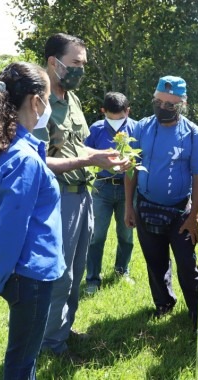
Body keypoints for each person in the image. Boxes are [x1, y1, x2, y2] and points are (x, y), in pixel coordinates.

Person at [33, 33, 129, 358]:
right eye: (75, 63)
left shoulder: (71, 99)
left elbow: (79, 146)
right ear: (53, 62)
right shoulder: (37, 104)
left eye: (83, 64)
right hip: (56, 199)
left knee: (74, 273)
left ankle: (64, 328)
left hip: (83, 195)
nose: (80, 70)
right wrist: (90, 159)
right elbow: (37, 160)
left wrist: (104, 155)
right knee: (58, 275)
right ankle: (50, 345)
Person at [0, 62, 66, 379]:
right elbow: (8, 229)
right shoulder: (23, 158)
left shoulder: (6, 148)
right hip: (31, 277)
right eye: (49, 95)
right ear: (35, 100)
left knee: (21, 358)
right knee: (21, 363)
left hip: (18, 273)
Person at [124, 75, 198, 329]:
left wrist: (193, 216)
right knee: (155, 260)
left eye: (170, 105)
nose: (163, 108)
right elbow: (131, 168)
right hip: (146, 206)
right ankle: (163, 303)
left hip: (179, 212)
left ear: (182, 104)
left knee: (187, 264)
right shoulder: (140, 128)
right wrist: (129, 206)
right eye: (158, 101)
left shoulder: (193, 134)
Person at [84, 92, 137, 295]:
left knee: (126, 233)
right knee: (96, 235)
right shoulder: (96, 129)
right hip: (102, 187)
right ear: (103, 111)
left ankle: (122, 271)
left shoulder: (135, 128)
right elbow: (84, 155)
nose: (116, 122)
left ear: (127, 111)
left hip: (127, 188)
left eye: (121, 117)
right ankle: (92, 279)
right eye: (110, 117)